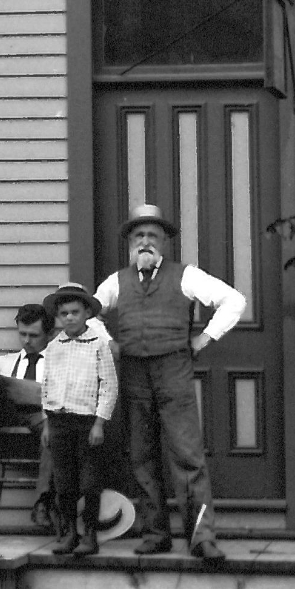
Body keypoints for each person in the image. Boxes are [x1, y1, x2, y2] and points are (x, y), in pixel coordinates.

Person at [94, 201, 246, 564]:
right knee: (142, 456)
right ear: (130, 242)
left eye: (152, 235)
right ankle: (156, 533)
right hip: (133, 373)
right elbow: (88, 314)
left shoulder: (186, 276)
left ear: (163, 241)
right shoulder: (116, 282)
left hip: (174, 372)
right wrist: (108, 341)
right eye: (139, 235)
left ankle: (201, 537)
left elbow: (234, 300)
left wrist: (205, 338)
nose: (145, 241)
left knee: (187, 455)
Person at [36, 284, 118, 558]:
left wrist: (99, 423)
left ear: (86, 314)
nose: (69, 318)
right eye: (64, 313)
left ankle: (90, 534)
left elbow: (109, 386)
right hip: (59, 422)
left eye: (75, 312)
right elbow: (47, 386)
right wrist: (47, 423)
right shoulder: (53, 347)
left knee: (88, 481)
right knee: (64, 482)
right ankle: (70, 532)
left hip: (86, 423)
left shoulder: (98, 345)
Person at [0, 301, 56, 527]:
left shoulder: (59, 362)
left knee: (57, 430)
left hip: (41, 417)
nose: (26, 341)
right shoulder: (2, 364)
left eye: (33, 335)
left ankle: (43, 504)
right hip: (4, 416)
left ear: (49, 333)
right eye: (22, 334)